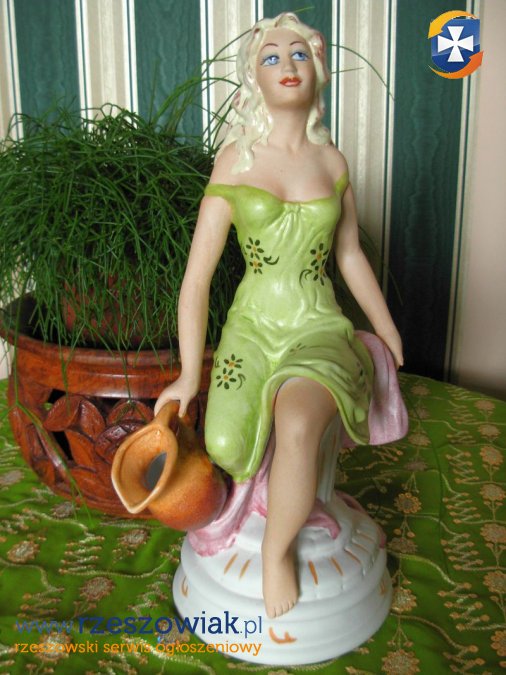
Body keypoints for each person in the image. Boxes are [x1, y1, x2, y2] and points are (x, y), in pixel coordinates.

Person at [155, 12, 403, 619]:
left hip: (316, 327)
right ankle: (263, 508)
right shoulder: (235, 162)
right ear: (254, 78)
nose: (287, 66)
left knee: (296, 421)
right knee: (224, 443)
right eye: (271, 57)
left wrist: (387, 329)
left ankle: (276, 550)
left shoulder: (332, 162)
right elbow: (196, 279)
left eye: (299, 54)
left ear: (318, 71)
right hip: (251, 328)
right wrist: (189, 375)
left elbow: (349, 255)